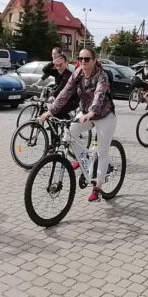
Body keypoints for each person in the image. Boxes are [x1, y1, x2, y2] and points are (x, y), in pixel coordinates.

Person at [39, 48, 116, 202]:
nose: (83, 62)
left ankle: (97, 187)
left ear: (94, 60)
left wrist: (91, 112)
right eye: (80, 59)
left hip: (104, 115)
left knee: (102, 152)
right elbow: (65, 93)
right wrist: (51, 111)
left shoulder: (102, 76)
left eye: (87, 59)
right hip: (86, 113)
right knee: (69, 133)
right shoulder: (78, 73)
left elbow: (99, 95)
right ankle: (85, 161)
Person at [40, 53, 77, 118]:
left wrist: (53, 95)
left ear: (65, 63)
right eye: (57, 63)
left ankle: (69, 125)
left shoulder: (68, 75)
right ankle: (55, 127)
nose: (58, 65)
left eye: (61, 63)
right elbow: (44, 70)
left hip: (72, 99)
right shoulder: (56, 72)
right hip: (62, 97)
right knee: (53, 111)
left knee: (57, 112)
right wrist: (53, 62)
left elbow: (61, 87)